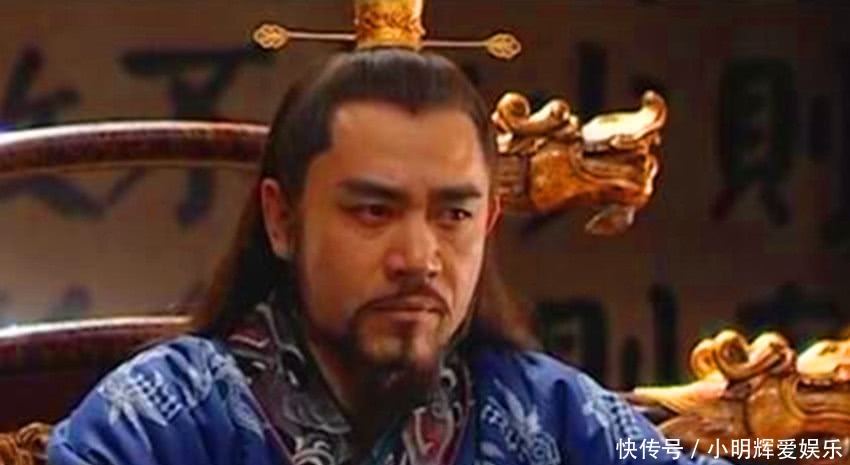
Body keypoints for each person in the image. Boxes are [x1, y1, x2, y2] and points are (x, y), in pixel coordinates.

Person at [47, 49, 724, 465]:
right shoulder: (161, 421)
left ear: (488, 223)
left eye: (453, 215)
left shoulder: (551, 415)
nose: (418, 258)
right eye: (373, 211)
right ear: (282, 220)